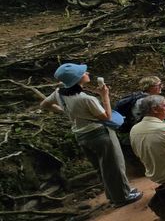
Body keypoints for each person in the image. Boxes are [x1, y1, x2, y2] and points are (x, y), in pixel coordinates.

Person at [41, 63, 142, 207]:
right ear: (77, 80)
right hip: (99, 134)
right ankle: (122, 198)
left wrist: (67, 112)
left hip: (81, 136)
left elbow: (44, 105)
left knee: (102, 167)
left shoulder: (59, 93)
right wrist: (105, 95)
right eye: (83, 72)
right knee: (114, 166)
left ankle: (115, 195)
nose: (87, 72)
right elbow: (107, 117)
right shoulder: (85, 99)